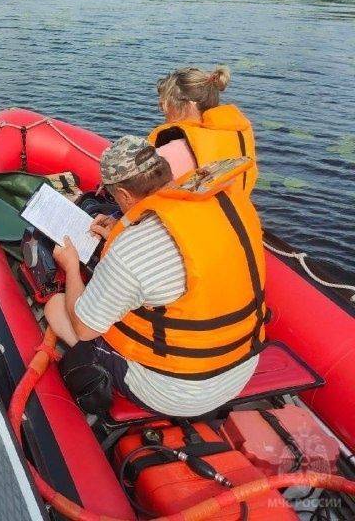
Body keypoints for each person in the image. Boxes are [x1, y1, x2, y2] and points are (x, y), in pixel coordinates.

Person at [45, 136, 267, 418]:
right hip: (241, 366)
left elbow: (84, 329)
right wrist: (121, 227)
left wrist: (72, 267)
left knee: (57, 306)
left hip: (173, 392)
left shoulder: (132, 250)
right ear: (167, 173)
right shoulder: (228, 206)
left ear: (123, 195)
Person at [150, 66, 258, 195]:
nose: (164, 113)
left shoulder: (171, 152)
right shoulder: (235, 134)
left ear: (189, 105)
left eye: (164, 106)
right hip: (232, 211)